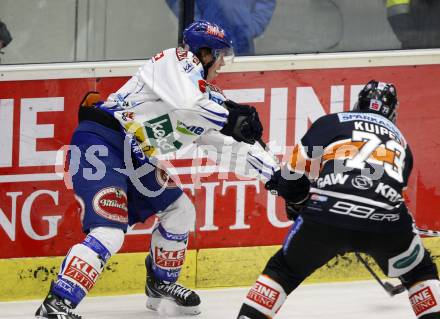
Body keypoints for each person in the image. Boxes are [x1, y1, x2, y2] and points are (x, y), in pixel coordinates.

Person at [35, 20, 279, 319]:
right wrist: (230, 117)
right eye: (220, 55)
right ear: (204, 53)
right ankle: (56, 304)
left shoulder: (208, 97)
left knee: (180, 210)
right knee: (109, 232)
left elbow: (224, 147)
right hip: (102, 143)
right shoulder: (173, 61)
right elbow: (189, 105)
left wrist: (279, 178)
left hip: (136, 156)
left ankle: (161, 285)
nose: (222, 64)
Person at [237, 80, 440, 319]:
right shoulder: (402, 144)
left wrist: (299, 201)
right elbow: (387, 191)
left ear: (357, 104)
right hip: (387, 218)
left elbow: (291, 176)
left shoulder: (331, 123)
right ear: (393, 113)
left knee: (283, 271)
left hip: (325, 213)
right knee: (420, 272)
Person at [166, 0, 276, 55]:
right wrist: (201, 27)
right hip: (204, 45)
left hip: (242, 44)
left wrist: (253, 26)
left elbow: (266, 2)